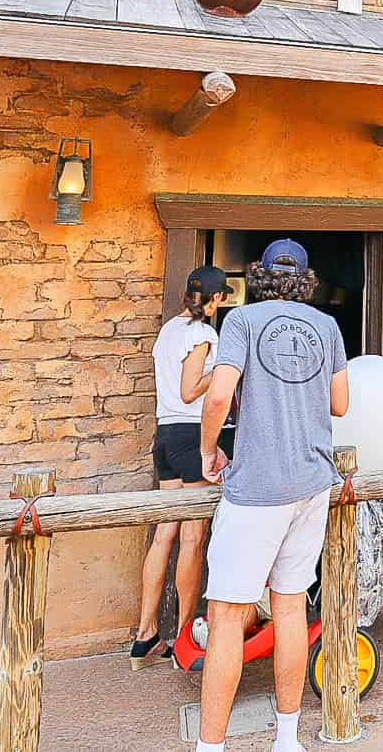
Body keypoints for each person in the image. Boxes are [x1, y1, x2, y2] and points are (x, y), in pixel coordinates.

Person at [194, 240, 348, 752]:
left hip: (257, 487)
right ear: (305, 279)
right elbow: (340, 403)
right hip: (311, 483)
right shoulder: (326, 326)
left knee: (225, 619)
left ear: (259, 275)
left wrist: (209, 450)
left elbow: (218, 394)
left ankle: (210, 748)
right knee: (289, 610)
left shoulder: (240, 321)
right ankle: (287, 739)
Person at [130, 265, 231, 670]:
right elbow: (191, 390)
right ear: (217, 297)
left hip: (165, 437)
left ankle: (145, 634)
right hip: (190, 436)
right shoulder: (202, 335)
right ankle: (185, 637)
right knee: (192, 540)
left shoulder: (169, 330)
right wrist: (222, 370)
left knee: (163, 537)